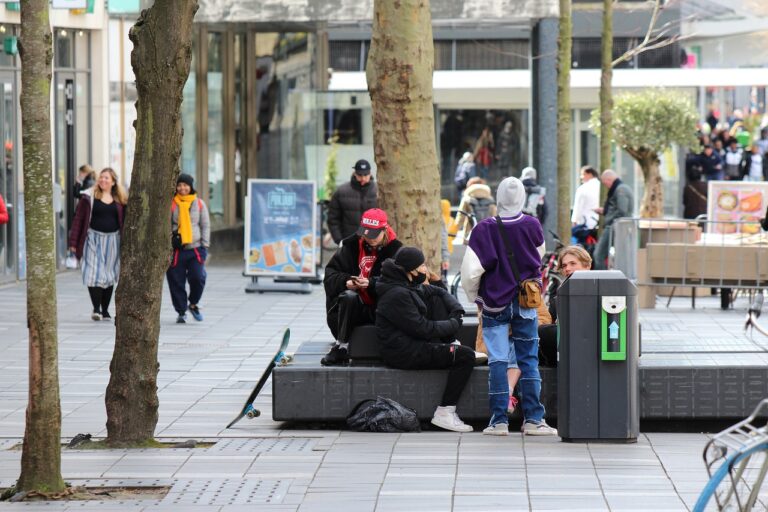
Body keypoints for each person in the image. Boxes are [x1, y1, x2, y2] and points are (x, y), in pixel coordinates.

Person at [461, 176, 557, 436]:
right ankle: (535, 420)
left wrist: (476, 298)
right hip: (526, 302)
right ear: (523, 198)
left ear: (498, 197)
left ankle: (499, 420)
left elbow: (471, 272)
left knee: (498, 361)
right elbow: (537, 255)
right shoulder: (533, 225)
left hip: (494, 302)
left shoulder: (483, 229)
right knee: (528, 359)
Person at [376, 246, 476, 432]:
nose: (425, 270)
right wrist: (454, 323)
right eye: (422, 266)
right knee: (466, 356)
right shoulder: (397, 295)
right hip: (404, 352)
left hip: (413, 345)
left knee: (436, 299)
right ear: (410, 270)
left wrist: (457, 310)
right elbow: (423, 328)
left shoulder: (405, 284)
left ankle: (450, 344)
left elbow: (437, 293)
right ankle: (445, 413)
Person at [322, 208, 403, 366]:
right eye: (365, 234)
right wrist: (346, 282)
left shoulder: (396, 251)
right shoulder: (350, 247)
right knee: (348, 296)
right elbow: (330, 275)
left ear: (385, 230)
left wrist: (372, 284)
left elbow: (400, 284)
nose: (368, 238)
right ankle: (342, 346)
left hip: (380, 307)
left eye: (373, 235)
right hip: (352, 306)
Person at [68, 167, 128, 321]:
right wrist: (73, 242)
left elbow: (125, 222)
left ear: (113, 182)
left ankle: (106, 310)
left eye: (106, 178)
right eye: (101, 177)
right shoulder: (88, 197)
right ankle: (96, 308)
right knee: (93, 273)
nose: (103, 180)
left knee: (108, 274)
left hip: (113, 240)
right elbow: (78, 220)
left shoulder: (121, 200)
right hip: (92, 239)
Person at [538, 246, 593, 366]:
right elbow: (548, 328)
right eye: (564, 266)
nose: (568, 268)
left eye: (573, 263)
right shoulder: (557, 300)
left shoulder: (601, 290)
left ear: (587, 265)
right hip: (565, 350)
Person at [167, 173, 210, 324]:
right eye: (179, 185)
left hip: (196, 248)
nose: (182, 188)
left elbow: (205, 225)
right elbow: (166, 225)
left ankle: (193, 303)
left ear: (191, 186)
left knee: (198, 277)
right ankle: (181, 311)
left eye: (185, 185)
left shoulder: (198, 203)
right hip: (177, 249)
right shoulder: (171, 203)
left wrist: (205, 245)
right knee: (176, 281)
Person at [327, 159, 377, 244]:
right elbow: (333, 219)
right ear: (355, 173)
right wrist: (339, 240)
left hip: (373, 242)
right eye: (360, 175)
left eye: (366, 175)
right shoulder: (341, 192)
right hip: (349, 242)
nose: (363, 178)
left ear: (370, 173)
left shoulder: (379, 192)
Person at [592, 169, 634, 270]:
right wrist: (605, 211)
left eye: (604, 182)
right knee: (620, 256)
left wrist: (610, 217)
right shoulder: (622, 188)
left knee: (598, 255)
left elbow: (622, 211)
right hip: (618, 227)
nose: (605, 185)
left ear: (609, 179)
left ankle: (601, 281)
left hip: (613, 227)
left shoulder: (620, 190)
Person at [455, 176, 496, 241]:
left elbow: (460, 217)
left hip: (470, 235)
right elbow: (495, 217)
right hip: (487, 234)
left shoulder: (467, 199)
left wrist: (454, 231)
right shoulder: (490, 199)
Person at [570, 166, 600, 244]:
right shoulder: (602, 187)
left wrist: (574, 221)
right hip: (598, 224)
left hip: (585, 226)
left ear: (589, 174)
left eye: (583, 174)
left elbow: (578, 207)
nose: (581, 177)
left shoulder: (582, 188)